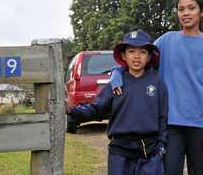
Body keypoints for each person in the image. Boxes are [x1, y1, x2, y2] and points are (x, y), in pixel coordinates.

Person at [111, 0, 203, 175]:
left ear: (201, 12)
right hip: (170, 123)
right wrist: (117, 73)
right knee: (170, 171)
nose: (186, 13)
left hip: (201, 123)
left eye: (191, 8)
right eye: (181, 9)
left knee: (199, 170)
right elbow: (139, 57)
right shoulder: (166, 40)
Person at [66, 29, 168, 175]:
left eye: (143, 52)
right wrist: (71, 109)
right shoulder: (115, 84)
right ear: (123, 55)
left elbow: (163, 116)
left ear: (149, 56)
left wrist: (161, 145)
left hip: (149, 151)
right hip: (120, 151)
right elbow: (96, 108)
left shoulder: (157, 82)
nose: (137, 56)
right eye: (131, 51)